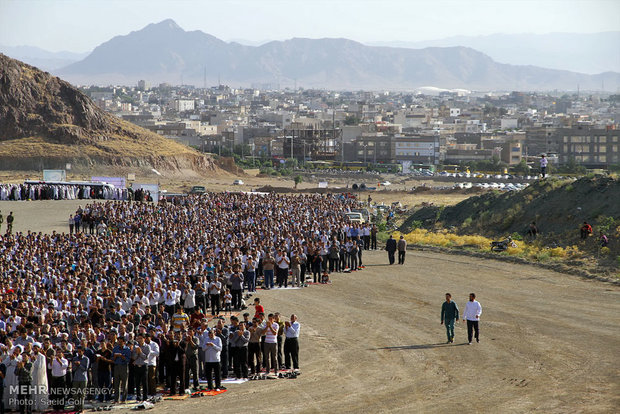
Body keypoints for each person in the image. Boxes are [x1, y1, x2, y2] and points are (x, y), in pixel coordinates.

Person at [112, 337, 131, 403]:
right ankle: (116, 399)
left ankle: (124, 399)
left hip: (124, 366)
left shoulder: (127, 349)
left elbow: (128, 359)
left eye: (121, 341)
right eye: (119, 341)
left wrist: (122, 356)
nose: (119, 343)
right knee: (116, 384)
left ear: (124, 342)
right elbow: (112, 359)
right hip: (117, 367)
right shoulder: (115, 349)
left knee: (124, 384)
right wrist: (115, 356)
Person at [71, 345, 89, 412]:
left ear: (83, 352)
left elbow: (85, 369)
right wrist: (76, 365)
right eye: (78, 352)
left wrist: (79, 365)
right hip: (76, 378)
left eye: (80, 351)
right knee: (75, 394)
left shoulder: (86, 359)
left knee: (82, 394)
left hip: (83, 379)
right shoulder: (75, 358)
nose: (79, 353)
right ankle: (76, 406)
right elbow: (73, 369)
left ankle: (81, 407)